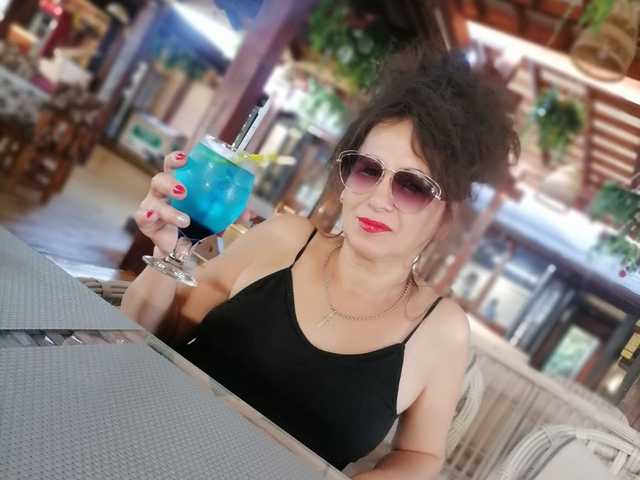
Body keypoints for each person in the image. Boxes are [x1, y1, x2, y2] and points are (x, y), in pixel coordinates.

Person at [121, 50, 519, 479]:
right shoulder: (282, 240)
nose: (378, 198)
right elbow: (146, 333)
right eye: (368, 170)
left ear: (445, 215)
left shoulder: (440, 329)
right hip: (148, 445)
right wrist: (168, 253)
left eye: (412, 186)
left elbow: (421, 455)